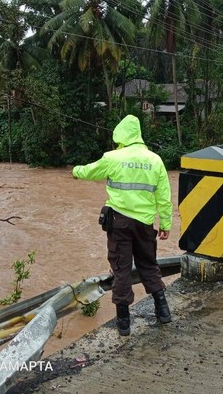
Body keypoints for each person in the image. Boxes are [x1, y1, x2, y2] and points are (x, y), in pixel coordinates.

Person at [72, 115, 173, 336]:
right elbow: (164, 197)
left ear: (120, 134)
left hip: (119, 224)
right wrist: (165, 223)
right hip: (145, 224)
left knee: (121, 270)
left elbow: (89, 171)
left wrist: (75, 171)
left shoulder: (112, 157)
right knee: (148, 265)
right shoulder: (155, 160)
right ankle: (163, 311)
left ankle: (124, 323)